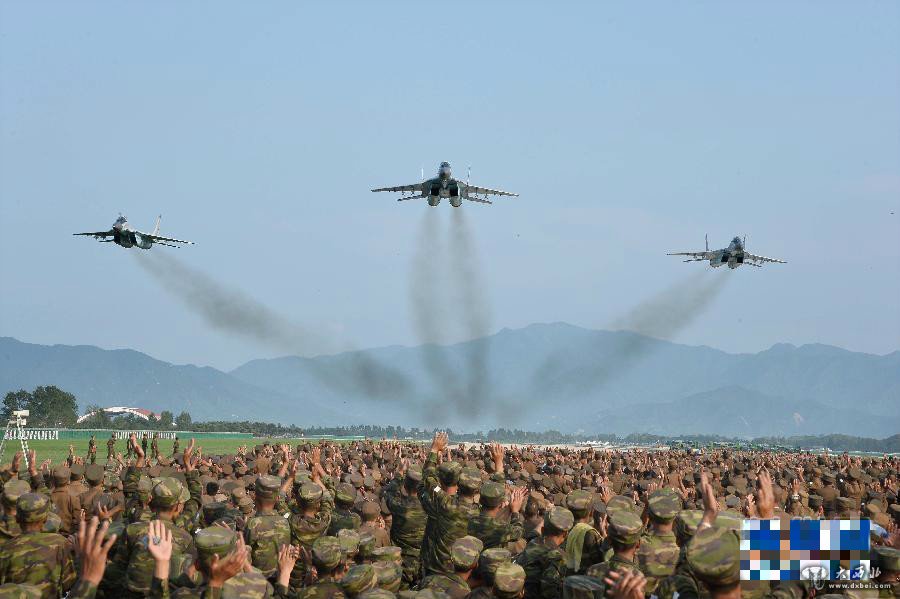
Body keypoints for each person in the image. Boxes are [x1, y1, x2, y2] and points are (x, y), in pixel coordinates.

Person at [0, 493, 77, 597]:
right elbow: (69, 582)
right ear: (45, 520)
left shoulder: (6, 549)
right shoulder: (60, 543)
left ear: (17, 519)